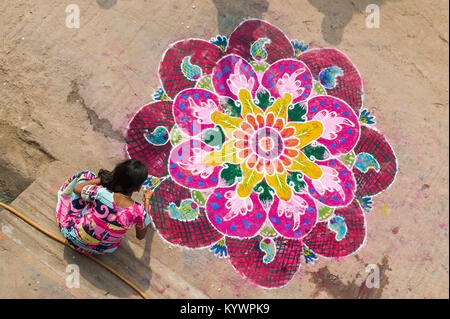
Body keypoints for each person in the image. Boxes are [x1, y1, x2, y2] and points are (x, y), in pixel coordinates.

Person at [56, 159, 153, 255]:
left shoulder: (100, 192)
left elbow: (76, 189)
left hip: (73, 237)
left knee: (87, 175)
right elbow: (140, 236)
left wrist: (102, 180)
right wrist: (147, 200)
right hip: (100, 250)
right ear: (138, 188)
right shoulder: (140, 211)